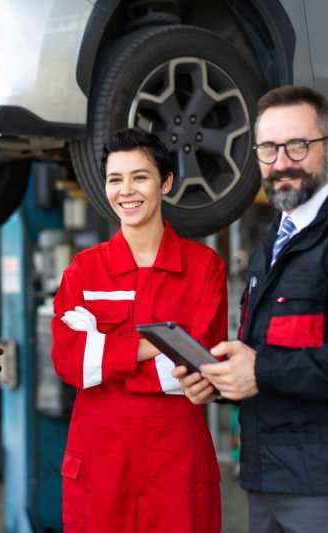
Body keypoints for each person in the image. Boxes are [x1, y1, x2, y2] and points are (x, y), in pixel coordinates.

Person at [175, 85, 328, 533]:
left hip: (327, 486)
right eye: (268, 148)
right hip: (266, 481)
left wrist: (260, 371)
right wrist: (222, 379)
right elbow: (270, 353)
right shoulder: (273, 246)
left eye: (298, 145)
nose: (281, 162)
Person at [51, 128, 227, 532]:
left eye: (140, 177)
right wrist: (154, 345)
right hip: (101, 471)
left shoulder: (204, 269)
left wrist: (107, 354)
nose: (126, 191)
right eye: (116, 179)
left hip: (177, 471)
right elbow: (71, 363)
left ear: (165, 183)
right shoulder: (84, 270)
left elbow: (191, 371)